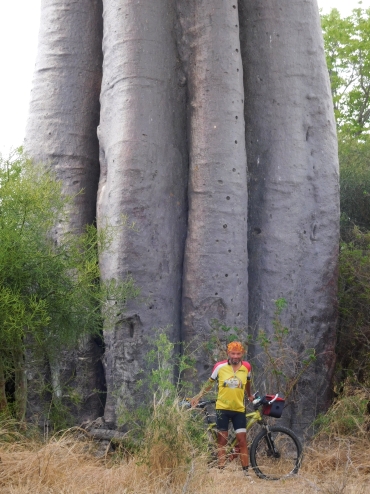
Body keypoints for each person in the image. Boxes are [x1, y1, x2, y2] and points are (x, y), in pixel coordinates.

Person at [190, 341, 254, 476]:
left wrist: (249, 395)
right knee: (222, 440)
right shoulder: (220, 367)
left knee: (242, 441)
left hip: (239, 409)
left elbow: (248, 383)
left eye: (238, 353)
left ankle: (246, 473)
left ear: (242, 354)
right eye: (233, 353)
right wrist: (198, 396)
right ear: (228, 353)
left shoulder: (247, 367)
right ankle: (221, 470)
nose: (235, 356)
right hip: (222, 409)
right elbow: (209, 383)